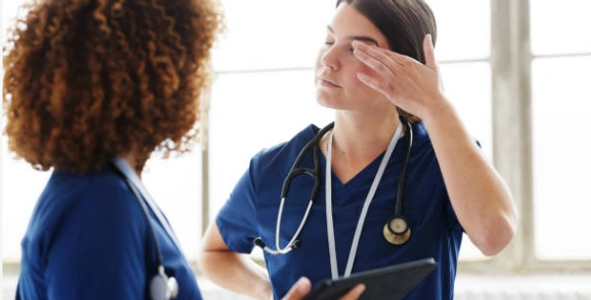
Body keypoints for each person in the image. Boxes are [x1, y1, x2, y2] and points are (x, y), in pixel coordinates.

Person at [2, 0, 364, 299]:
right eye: (191, 63)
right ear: (157, 76)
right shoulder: (99, 205)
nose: (198, 79)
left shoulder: (105, 190)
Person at [199, 0, 518, 299]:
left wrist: (435, 104)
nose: (328, 59)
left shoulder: (440, 157)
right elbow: (214, 253)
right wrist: (270, 291)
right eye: (328, 40)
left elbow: (494, 235)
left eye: (355, 49)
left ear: (406, 66)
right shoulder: (274, 168)